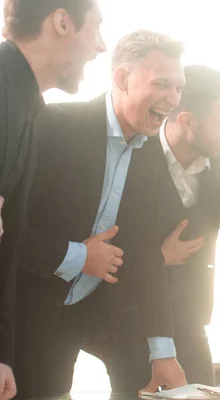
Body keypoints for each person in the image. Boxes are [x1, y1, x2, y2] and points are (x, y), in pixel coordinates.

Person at [14, 30, 187, 398]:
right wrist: (79, 256)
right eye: (161, 84)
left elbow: (144, 254)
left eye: (179, 89)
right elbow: (9, 232)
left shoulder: (149, 151)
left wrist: (163, 352)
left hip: (99, 312)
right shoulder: (55, 126)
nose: (172, 99)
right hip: (24, 317)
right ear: (122, 79)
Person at [0, 0, 105, 396]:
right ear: (62, 21)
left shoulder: (31, 109)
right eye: (95, 29)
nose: (101, 46)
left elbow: (7, 244)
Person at [157, 65, 220, 385]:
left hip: (191, 311)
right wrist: (156, 255)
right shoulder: (138, 152)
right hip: (131, 313)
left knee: (203, 388)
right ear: (187, 120)